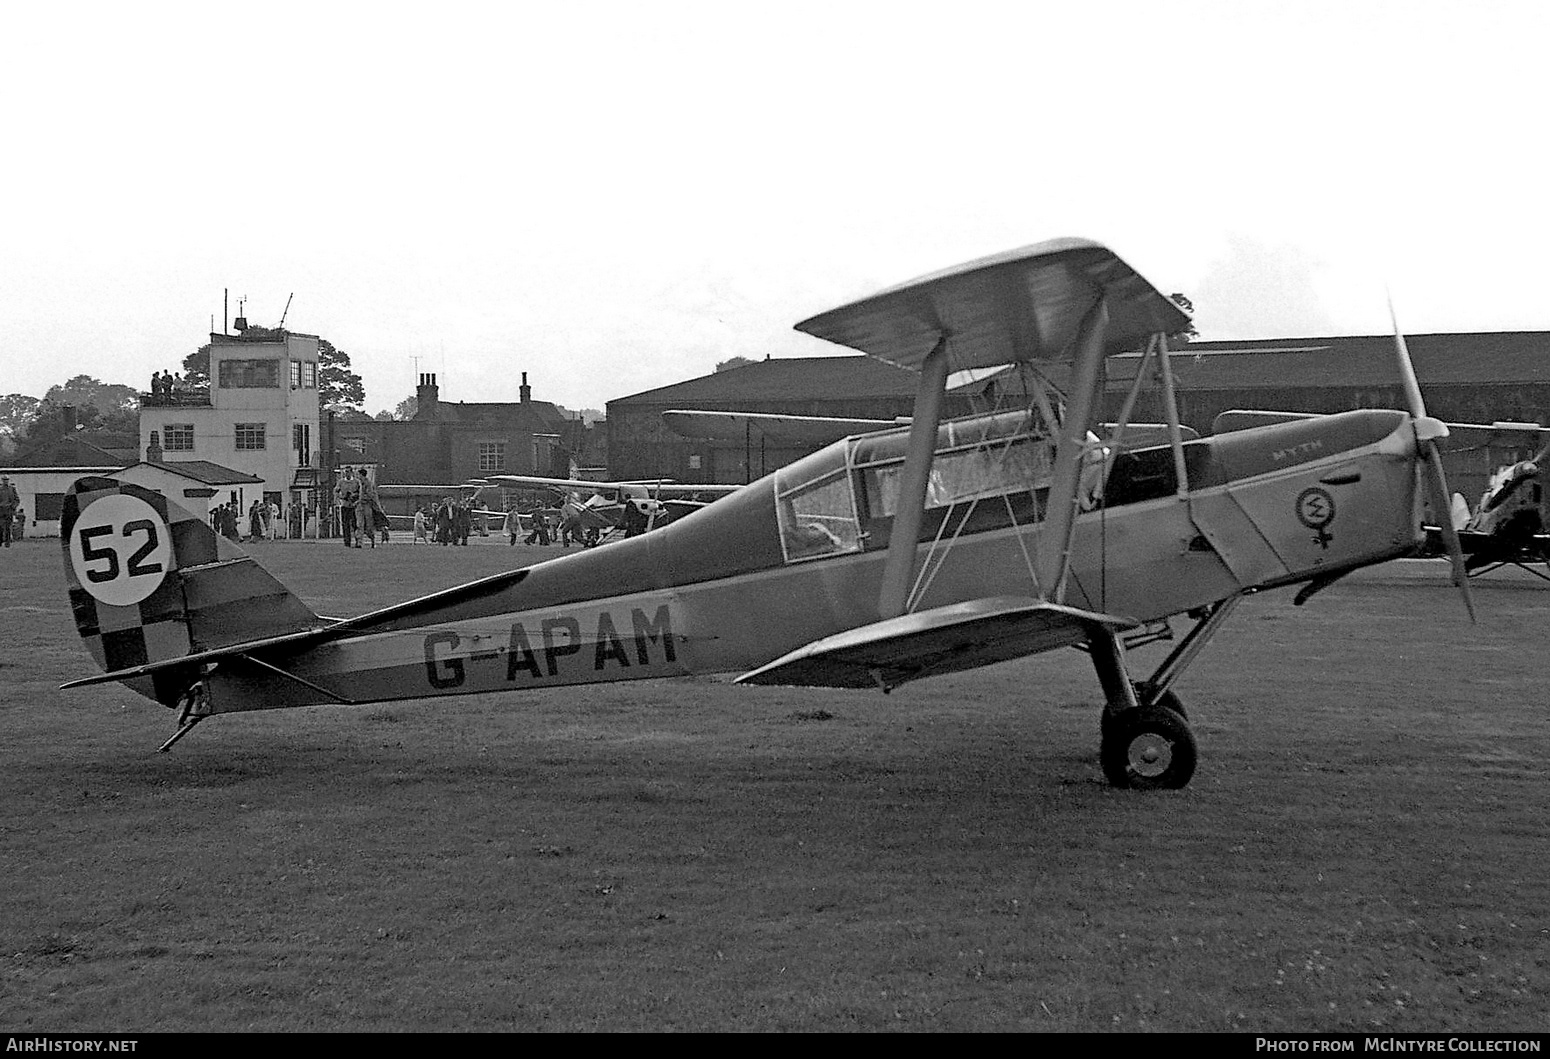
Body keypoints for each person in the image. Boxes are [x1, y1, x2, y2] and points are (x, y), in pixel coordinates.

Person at [335, 469, 362, 547]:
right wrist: (341, 497)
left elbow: (360, 492)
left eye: (348, 472)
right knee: (345, 524)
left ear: (351, 472)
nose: (347, 474)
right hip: (345, 506)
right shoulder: (341, 482)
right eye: (345, 472)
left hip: (355, 506)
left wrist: (355, 497)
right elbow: (336, 491)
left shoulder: (356, 482)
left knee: (355, 524)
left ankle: (358, 541)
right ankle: (347, 542)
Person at [0, 475, 18, 547]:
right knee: (0, 527)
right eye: (4, 480)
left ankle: (7, 542)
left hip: (9, 510)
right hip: (1, 510)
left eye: (7, 479)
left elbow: (17, 499)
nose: (5, 481)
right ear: (2, 480)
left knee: (8, 527)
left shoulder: (12, 489)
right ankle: (0, 541)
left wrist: (13, 506)